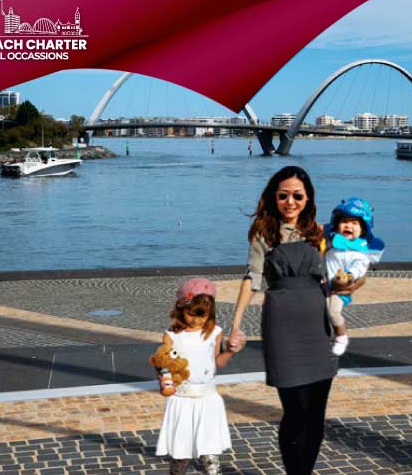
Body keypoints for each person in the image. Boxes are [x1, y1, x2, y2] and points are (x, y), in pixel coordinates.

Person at [227, 166, 361, 475]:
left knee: (315, 413)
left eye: (297, 196)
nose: (290, 202)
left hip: (318, 327)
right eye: (283, 195)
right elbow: (252, 278)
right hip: (282, 327)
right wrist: (235, 325)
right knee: (295, 410)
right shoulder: (264, 233)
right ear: (274, 197)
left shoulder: (321, 232)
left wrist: (351, 284)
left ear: (308, 198)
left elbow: (344, 269)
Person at [155, 278, 235, 475]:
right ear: (181, 308)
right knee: (181, 450)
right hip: (181, 398)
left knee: (210, 451)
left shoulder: (215, 332)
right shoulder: (172, 336)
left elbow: (218, 362)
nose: (196, 320)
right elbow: (163, 362)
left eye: (202, 315)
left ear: (210, 313)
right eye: (191, 314)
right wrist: (164, 379)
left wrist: (231, 351)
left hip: (207, 397)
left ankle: (212, 470)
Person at [324, 197, 385, 356]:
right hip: (323, 284)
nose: (348, 225)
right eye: (344, 222)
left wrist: (349, 276)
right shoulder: (332, 241)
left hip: (338, 288)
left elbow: (359, 268)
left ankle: (341, 336)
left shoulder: (360, 253)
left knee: (333, 312)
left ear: (363, 228)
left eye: (354, 223)